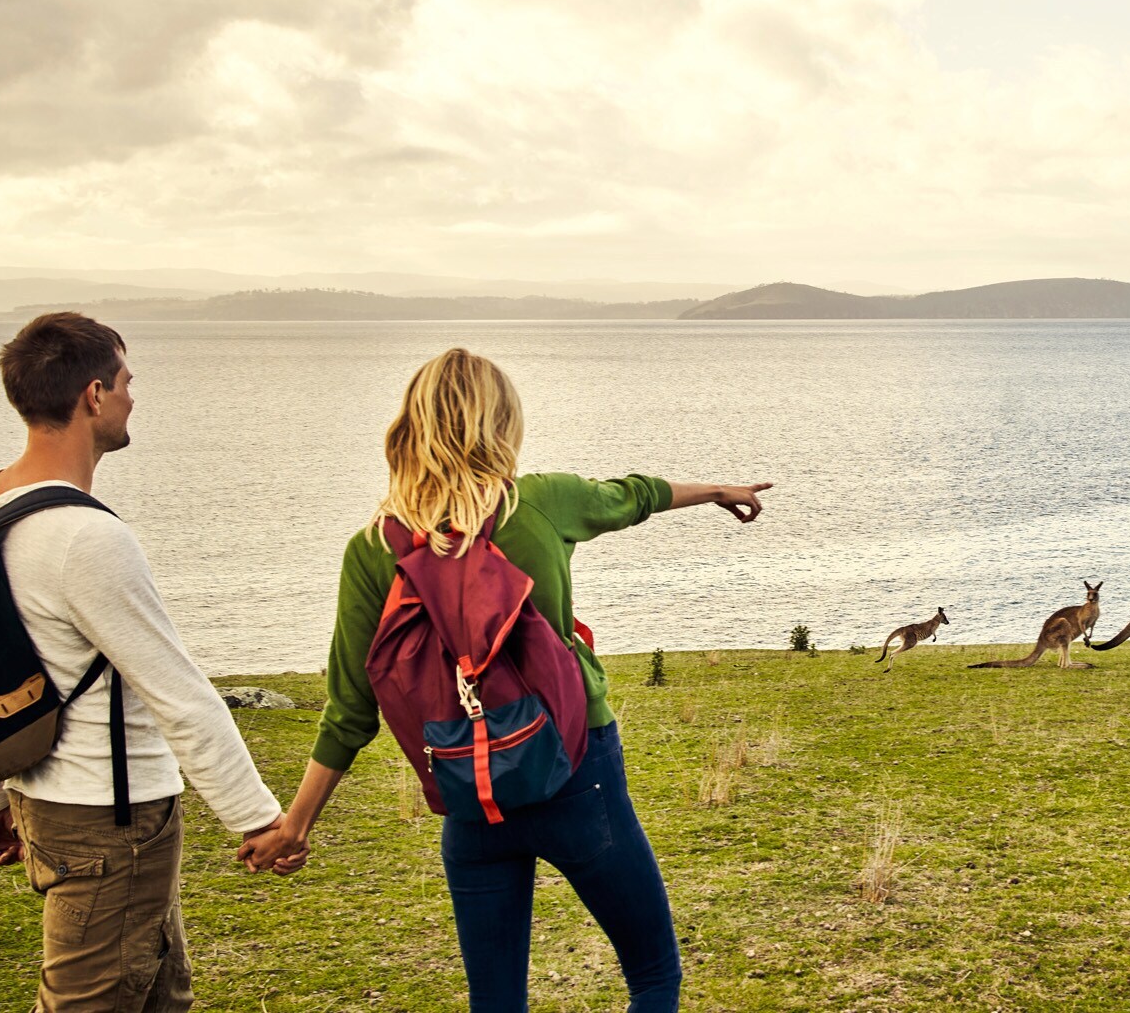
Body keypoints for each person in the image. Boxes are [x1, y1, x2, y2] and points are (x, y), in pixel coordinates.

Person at [248, 348, 770, 1013]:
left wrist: (297, 825)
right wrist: (718, 490)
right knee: (653, 975)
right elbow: (636, 495)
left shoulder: (373, 549)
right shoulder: (543, 503)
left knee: (496, 1003)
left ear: (411, 426)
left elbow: (350, 711)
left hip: (472, 796)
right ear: (503, 424)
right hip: (580, 776)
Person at [0, 312, 293, 1012]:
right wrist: (260, 820)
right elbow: (180, 693)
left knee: (159, 994)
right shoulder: (86, 538)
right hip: (109, 820)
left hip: (41, 801)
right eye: (125, 381)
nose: (131, 397)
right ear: (93, 395)